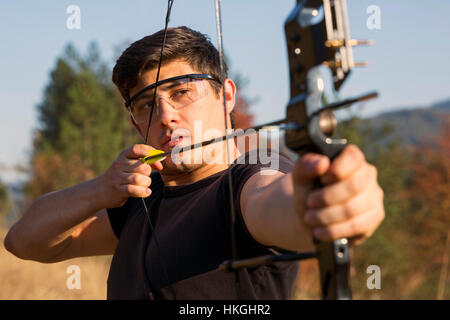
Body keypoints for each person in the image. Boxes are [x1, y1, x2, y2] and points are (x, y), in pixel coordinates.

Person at [4, 26, 385, 300]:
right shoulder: (142, 200)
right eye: (147, 104)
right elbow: (24, 241)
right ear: (137, 123)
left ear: (227, 96)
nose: (166, 116)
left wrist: (328, 205)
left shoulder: (249, 183)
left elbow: (282, 204)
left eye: (182, 91)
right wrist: (101, 188)